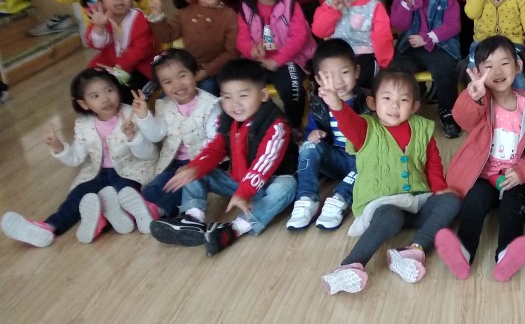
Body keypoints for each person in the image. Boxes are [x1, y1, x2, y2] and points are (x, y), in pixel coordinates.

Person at [319, 70, 461, 295]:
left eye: (403, 100)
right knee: (391, 215)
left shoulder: (422, 128)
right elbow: (349, 124)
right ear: (372, 103)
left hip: (415, 202)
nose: (395, 105)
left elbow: (432, 164)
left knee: (452, 201)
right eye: (387, 98)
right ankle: (350, 265)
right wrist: (336, 104)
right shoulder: (366, 128)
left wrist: (439, 190)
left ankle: (413, 251)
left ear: (414, 106)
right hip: (382, 207)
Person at [149, 59, 298, 255]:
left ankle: (234, 228)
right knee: (193, 170)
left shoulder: (276, 124)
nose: (235, 104)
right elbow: (215, 148)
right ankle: (192, 219)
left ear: (263, 95)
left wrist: (245, 192)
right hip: (239, 184)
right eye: (227, 97)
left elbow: (264, 164)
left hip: (268, 183)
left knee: (287, 187)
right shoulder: (229, 119)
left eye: (243, 95)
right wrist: (195, 168)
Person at [434, 36, 525, 282]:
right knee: (474, 201)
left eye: (504, 63)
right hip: (483, 176)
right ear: (477, 72)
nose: (497, 71)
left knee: (513, 205)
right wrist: (472, 97)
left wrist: (521, 170)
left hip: (516, 178)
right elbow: (462, 119)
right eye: (488, 66)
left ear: (518, 66)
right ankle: (462, 251)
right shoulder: (480, 103)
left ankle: (506, 253)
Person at [1, 69, 155, 247]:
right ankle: (48, 227)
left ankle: (113, 219)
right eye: (95, 96)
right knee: (78, 197)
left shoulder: (132, 114)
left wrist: (132, 136)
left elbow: (145, 153)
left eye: (109, 90)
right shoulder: (84, 123)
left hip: (131, 169)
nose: (105, 99)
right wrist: (58, 147)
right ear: (83, 103)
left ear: (118, 90)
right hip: (98, 172)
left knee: (122, 193)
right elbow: (76, 158)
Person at [123, 50, 221, 233]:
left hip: (200, 162)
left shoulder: (210, 104)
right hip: (173, 161)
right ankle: (134, 212)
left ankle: (158, 210)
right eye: (167, 82)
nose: (177, 85)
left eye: (182, 76)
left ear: (195, 73)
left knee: (179, 187)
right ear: (161, 86)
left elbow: (215, 141)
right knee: (155, 186)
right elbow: (157, 135)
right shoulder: (164, 105)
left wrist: (194, 165)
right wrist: (144, 116)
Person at [285, 39, 369, 232]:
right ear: (319, 80)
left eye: (344, 72)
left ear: (356, 71)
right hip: (335, 159)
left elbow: (370, 139)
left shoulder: (368, 101)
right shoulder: (318, 104)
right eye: (329, 76)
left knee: (372, 158)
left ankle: (340, 198)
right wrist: (313, 134)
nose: (338, 81)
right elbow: (310, 134)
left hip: (361, 161)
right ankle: (306, 198)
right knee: (308, 146)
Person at [389, 0, 462, 138]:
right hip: (411, 48)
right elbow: (398, 24)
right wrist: (406, 2)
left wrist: (429, 37)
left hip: (441, 46)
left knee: (445, 70)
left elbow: (453, 25)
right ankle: (400, 110)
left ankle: (447, 112)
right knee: (397, 71)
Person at [237, 0, 315, 127]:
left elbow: (299, 37)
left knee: (293, 87)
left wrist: (278, 59)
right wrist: (251, 50)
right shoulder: (245, 8)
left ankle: (293, 127)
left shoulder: (290, 4)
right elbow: (241, 39)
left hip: (289, 59)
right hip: (257, 61)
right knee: (241, 86)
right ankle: (260, 126)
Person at [148, 0, 239, 96]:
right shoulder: (184, 13)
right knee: (166, 96)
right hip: (188, 71)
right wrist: (157, 14)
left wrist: (206, 71)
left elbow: (231, 53)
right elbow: (167, 36)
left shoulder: (229, 16)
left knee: (205, 90)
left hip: (216, 72)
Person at [312, 0, 393, 89]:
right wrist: (334, 10)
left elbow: (383, 38)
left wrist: (384, 65)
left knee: (364, 77)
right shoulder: (330, 5)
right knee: (324, 78)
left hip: (365, 56)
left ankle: (363, 100)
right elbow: (319, 32)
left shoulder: (375, 6)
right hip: (338, 58)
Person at [84, 0, 156, 92]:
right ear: (100, 0)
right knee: (89, 79)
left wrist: (120, 68)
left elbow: (141, 49)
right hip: (109, 63)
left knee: (126, 89)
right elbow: (97, 44)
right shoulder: (100, 18)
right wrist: (99, 27)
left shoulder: (139, 18)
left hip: (138, 66)